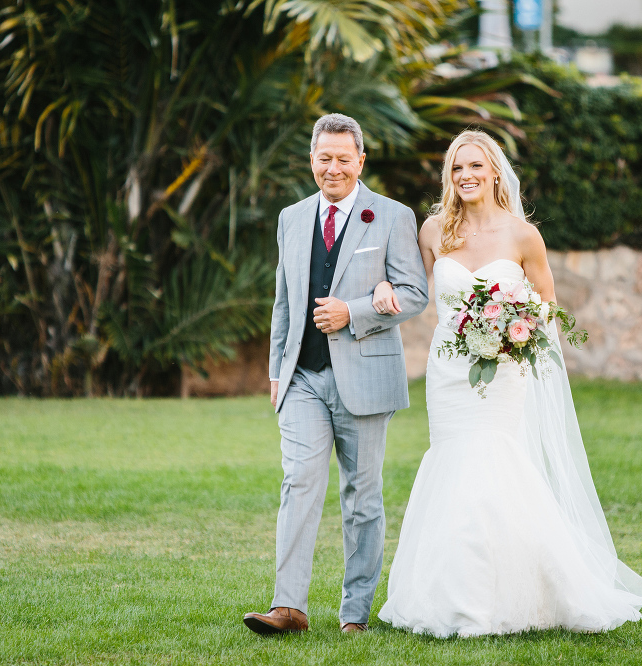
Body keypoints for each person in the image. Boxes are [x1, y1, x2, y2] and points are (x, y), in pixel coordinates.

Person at [374, 130, 642, 637]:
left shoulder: (522, 236)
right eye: (457, 168)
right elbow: (409, 285)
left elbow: (546, 308)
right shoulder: (433, 231)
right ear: (449, 177)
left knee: (493, 465)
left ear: (495, 171)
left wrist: (514, 334)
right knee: (452, 465)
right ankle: (450, 595)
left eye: (476, 166)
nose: (466, 176)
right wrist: (385, 286)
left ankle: (510, 596)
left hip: (503, 374)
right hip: (449, 373)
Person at [243, 114, 428, 636]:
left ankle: (355, 612)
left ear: (360, 161)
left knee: (362, 497)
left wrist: (356, 311)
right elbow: (284, 298)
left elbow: (414, 294)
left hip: (365, 377)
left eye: (343, 158)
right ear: (311, 160)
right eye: (324, 158)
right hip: (301, 377)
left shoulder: (391, 216)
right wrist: (277, 365)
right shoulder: (292, 218)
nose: (333, 168)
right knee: (298, 482)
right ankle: (289, 607)